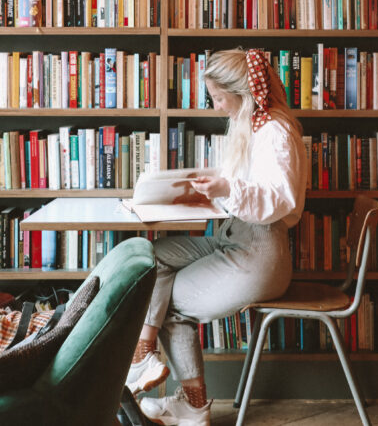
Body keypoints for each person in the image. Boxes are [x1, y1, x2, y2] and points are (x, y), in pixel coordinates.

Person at [126, 48, 309, 426]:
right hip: (234, 238)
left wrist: (227, 188)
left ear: (242, 93)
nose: (217, 107)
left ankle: (193, 406)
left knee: (170, 303)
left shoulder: (274, 131)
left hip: (260, 254)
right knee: (151, 255)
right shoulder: (249, 125)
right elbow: (243, 189)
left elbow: (280, 199)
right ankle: (145, 355)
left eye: (219, 98)